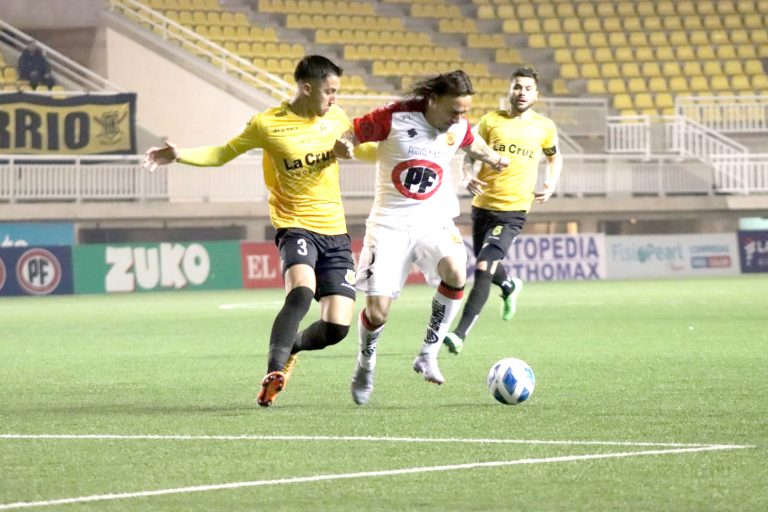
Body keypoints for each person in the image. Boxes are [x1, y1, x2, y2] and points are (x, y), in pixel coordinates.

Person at [143, 55, 357, 407]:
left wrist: (351, 148)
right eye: (329, 91)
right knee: (301, 293)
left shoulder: (337, 119)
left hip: (335, 232)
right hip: (295, 226)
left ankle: (292, 348)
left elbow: (363, 147)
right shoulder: (267, 124)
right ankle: (273, 372)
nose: (334, 98)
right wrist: (180, 155)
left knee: (336, 328)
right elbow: (223, 153)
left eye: (336, 92)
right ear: (307, 88)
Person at [341, 70, 509, 405]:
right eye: (454, 110)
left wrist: (494, 158)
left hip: (433, 218)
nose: (459, 118)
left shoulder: (456, 126)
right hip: (389, 223)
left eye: (464, 111)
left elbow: (471, 141)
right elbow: (354, 132)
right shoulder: (394, 117)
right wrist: (345, 143)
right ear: (433, 100)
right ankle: (365, 365)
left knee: (456, 272)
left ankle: (428, 354)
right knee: (377, 312)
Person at [443, 67, 563, 355]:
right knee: (488, 263)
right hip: (482, 206)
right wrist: (467, 176)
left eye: (528, 88)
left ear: (536, 94)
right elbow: (469, 152)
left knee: (483, 267)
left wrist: (551, 182)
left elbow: (554, 157)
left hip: (513, 211)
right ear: (509, 90)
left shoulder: (544, 127)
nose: (522, 92)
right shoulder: (490, 121)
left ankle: (459, 334)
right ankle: (509, 286)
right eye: (517, 87)